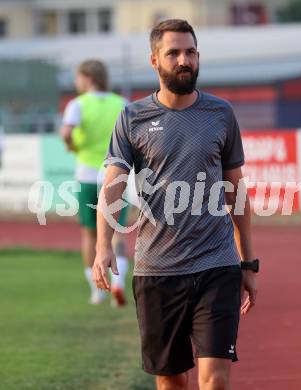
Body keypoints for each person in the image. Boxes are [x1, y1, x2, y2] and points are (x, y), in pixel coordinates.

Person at [93, 19, 258, 390]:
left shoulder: (220, 114)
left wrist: (248, 263)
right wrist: (104, 244)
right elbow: (113, 187)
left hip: (217, 265)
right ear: (155, 61)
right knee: (171, 381)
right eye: (174, 53)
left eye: (191, 52)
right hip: (157, 271)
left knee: (214, 379)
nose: (184, 60)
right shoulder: (133, 118)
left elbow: (237, 193)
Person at [60, 60, 130, 307]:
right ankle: (119, 284)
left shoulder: (77, 105)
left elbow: (67, 133)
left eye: (78, 78)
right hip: (115, 175)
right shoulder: (120, 103)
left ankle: (97, 290)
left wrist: (73, 147)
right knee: (117, 233)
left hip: (87, 176)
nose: (76, 83)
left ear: (88, 78)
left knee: (90, 234)